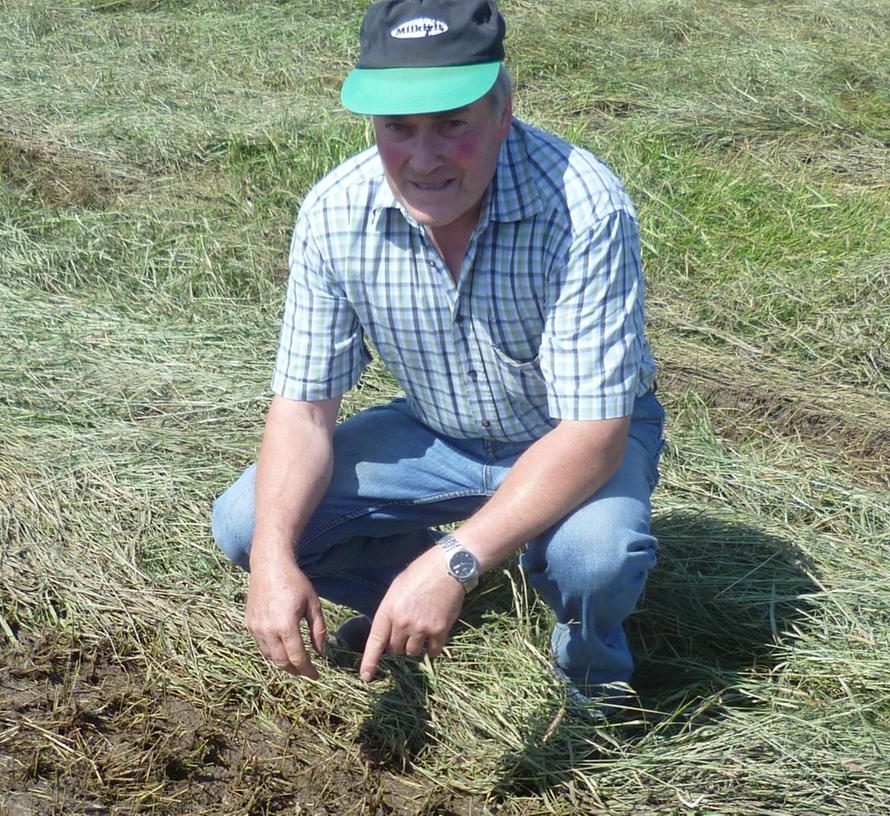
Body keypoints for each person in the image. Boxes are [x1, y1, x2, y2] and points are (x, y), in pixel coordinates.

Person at [211, 0, 663, 712]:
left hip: (574, 433)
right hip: (438, 429)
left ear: (502, 109)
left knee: (594, 555)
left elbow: (593, 434)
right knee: (246, 523)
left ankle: (590, 668)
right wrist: (271, 558)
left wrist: (456, 559)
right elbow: (302, 411)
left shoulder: (582, 206)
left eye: (453, 123)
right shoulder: (335, 214)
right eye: (399, 127)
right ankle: (409, 592)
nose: (423, 159)